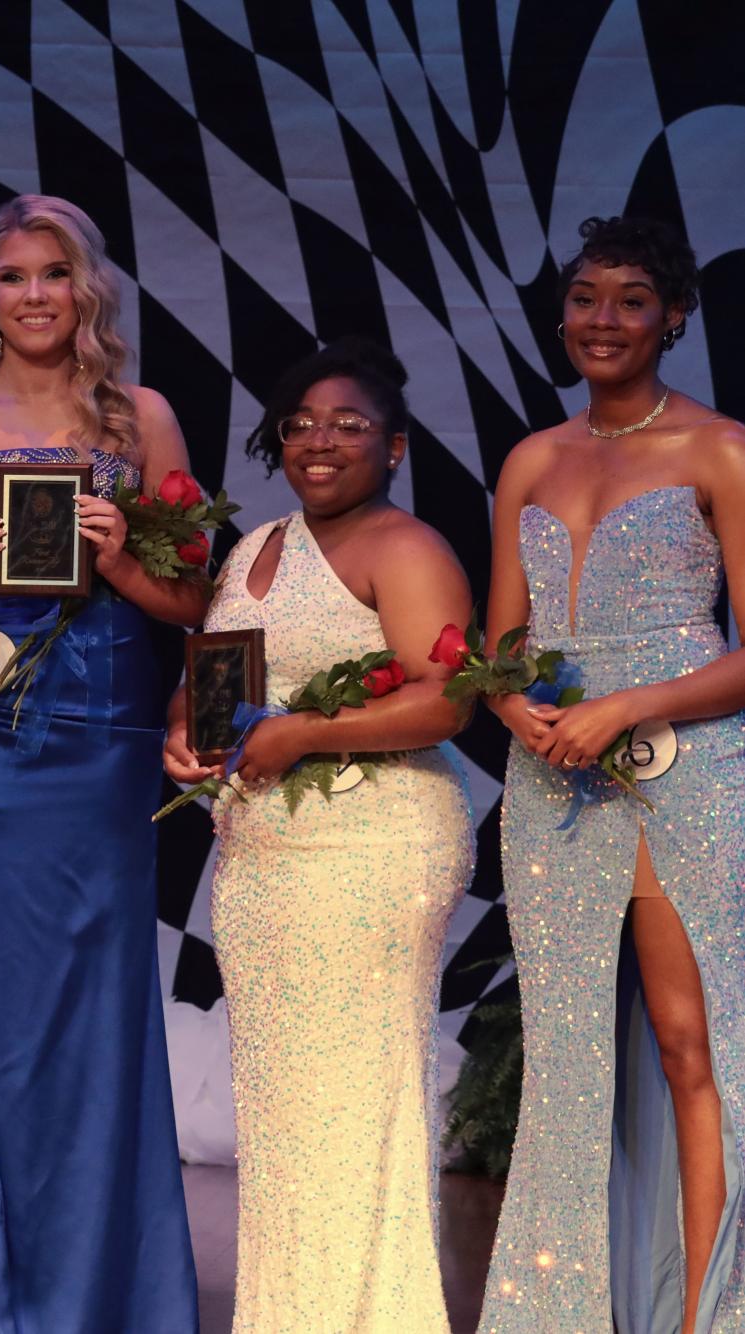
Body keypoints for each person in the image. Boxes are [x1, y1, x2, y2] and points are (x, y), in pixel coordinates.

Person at [0, 193, 201, 1331]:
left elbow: (195, 597)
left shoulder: (145, 419)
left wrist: (123, 563)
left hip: (107, 729)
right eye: (12, 276)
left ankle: (104, 1294)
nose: (32, 295)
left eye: (53, 274)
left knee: (96, 1007)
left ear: (87, 291)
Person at [165, 338, 475, 1331]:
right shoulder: (257, 545)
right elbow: (215, 684)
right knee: (286, 1115)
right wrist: (185, 733)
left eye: (349, 424)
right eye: (300, 423)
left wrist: (305, 731)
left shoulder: (406, 547)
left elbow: (445, 702)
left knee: (350, 1107)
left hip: (373, 847)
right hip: (263, 859)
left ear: (391, 447)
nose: (320, 439)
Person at [478, 216, 745, 1333]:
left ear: (672, 317)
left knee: (694, 1040)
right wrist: (513, 705)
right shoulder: (533, 459)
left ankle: (710, 1313)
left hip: (685, 766)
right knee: (571, 1055)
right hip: (553, 783)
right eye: (586, 298)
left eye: (631, 300)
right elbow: (494, 649)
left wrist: (630, 702)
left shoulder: (720, 449)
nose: (603, 319)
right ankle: (566, 1312)